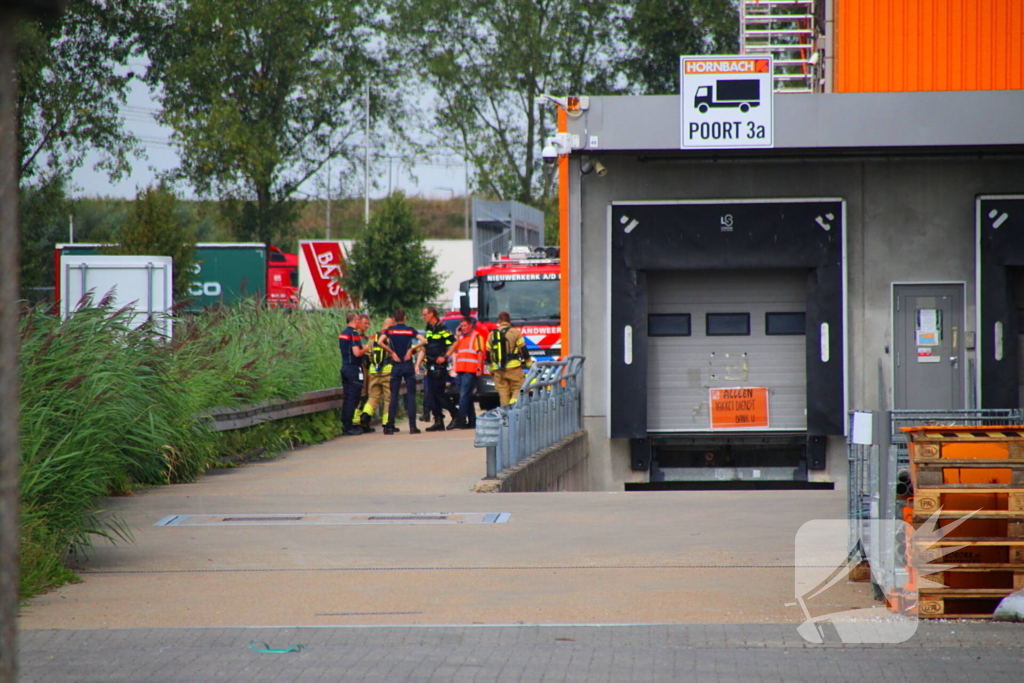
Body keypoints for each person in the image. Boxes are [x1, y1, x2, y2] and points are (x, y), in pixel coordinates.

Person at [419, 306, 462, 431]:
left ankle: (456, 415)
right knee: (431, 394)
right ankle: (438, 421)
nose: (424, 317)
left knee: (440, 394)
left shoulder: (442, 328)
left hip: (439, 366)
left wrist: (445, 356)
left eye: (425, 314)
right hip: (430, 365)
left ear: (432, 314)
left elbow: (454, 343)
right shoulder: (429, 328)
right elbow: (426, 346)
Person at [383, 309, 424, 435]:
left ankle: (390, 426)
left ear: (394, 319)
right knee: (411, 395)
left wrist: (392, 352)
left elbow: (380, 342)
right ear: (405, 318)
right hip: (407, 364)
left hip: (396, 365)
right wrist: (411, 349)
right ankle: (413, 427)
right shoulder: (410, 330)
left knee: (394, 395)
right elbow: (423, 340)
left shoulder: (390, 331)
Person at [360, 317, 397, 432]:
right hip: (387, 372)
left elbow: (367, 353)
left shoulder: (373, 337)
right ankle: (387, 423)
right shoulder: (391, 338)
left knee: (373, 397)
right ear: (391, 326)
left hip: (374, 372)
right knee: (388, 399)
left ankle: (365, 415)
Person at [487, 310, 530, 406]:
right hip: (513, 368)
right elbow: (523, 350)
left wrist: (491, 369)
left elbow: (488, 352)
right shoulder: (515, 332)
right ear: (509, 320)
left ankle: (505, 413)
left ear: (499, 321)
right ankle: (513, 407)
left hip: (498, 369)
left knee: (503, 393)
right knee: (518, 388)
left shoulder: (492, 334)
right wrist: (529, 364)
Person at [338, 312, 368, 436]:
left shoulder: (343, 334)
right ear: (355, 321)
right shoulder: (353, 334)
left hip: (345, 367)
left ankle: (346, 424)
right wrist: (366, 348)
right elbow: (357, 353)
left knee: (347, 397)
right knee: (353, 397)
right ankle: (349, 426)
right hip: (353, 369)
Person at [452, 316, 484, 429]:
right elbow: (456, 350)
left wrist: (479, 368)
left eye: (465, 325)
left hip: (471, 370)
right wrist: (458, 336)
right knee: (468, 396)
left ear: (470, 325)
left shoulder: (476, 336)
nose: (463, 328)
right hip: (461, 370)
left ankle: (460, 419)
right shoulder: (462, 338)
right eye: (461, 326)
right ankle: (472, 421)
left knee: (464, 395)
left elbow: (480, 353)